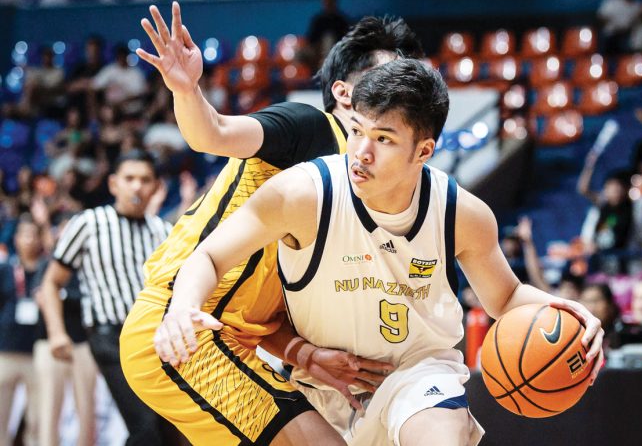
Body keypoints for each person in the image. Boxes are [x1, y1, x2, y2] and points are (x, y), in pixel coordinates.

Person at [156, 59, 605, 445]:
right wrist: (182, 307)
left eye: (384, 139)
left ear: (423, 151)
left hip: (417, 375)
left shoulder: (462, 213)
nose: (361, 152)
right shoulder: (302, 194)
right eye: (357, 131)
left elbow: (505, 299)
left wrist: (575, 314)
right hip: (320, 383)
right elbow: (208, 257)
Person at [120, 2, 424, 445]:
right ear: (343, 93)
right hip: (183, 326)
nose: (400, 90)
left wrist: (307, 355)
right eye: (387, 77)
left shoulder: (364, 183)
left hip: (229, 342)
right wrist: (187, 92)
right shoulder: (310, 127)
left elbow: (264, 312)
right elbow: (215, 133)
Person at [39, 150, 172, 446]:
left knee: (169, 430)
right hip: (109, 336)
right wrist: (57, 333)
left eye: (145, 180)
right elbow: (50, 283)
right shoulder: (89, 223)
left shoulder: (164, 231)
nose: (137, 186)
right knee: (146, 426)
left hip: (155, 339)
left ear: (155, 187)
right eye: (129, 179)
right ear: (113, 184)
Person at [33, 213, 98, 446]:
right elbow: (40, 296)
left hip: (83, 343)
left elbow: (91, 298)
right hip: (49, 341)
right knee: (49, 407)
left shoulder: (88, 264)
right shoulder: (47, 263)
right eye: (63, 229)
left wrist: (61, 296)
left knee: (87, 409)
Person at [0, 215, 43, 446]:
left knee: (37, 421)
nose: (29, 240)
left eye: (34, 234)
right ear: (16, 239)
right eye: (24, 234)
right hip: (5, 351)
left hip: (36, 354)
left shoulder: (46, 270)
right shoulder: (5, 269)